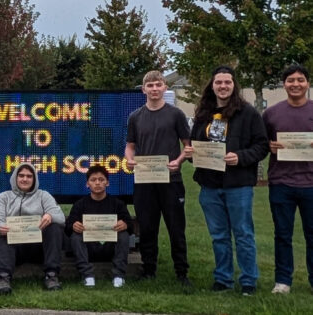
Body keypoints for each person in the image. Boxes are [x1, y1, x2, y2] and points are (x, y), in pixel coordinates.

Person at [185, 65, 269, 295]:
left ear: (234, 85)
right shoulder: (203, 114)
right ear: (211, 86)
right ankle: (223, 278)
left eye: (227, 82)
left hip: (238, 185)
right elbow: (194, 147)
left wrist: (240, 157)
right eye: (218, 82)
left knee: (243, 234)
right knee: (219, 236)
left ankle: (248, 281)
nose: (223, 86)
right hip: (209, 185)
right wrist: (192, 155)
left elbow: (262, 146)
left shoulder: (248, 113)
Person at [124, 70, 191, 286]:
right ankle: (149, 269)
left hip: (171, 180)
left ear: (164, 88)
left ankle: (182, 272)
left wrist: (179, 160)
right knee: (147, 227)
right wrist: (129, 160)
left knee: (176, 228)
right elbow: (130, 146)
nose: (154, 89)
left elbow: (187, 146)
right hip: (144, 181)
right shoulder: (135, 116)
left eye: (158, 85)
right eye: (150, 85)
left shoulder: (176, 114)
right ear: (143, 89)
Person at [262, 64, 313, 294]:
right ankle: (283, 281)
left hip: (311, 184)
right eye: (290, 80)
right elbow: (259, 145)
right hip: (281, 182)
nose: (295, 84)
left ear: (307, 83)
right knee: (283, 235)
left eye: (300, 80)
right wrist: (269, 146)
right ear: (284, 85)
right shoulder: (271, 114)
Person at [0, 162, 65, 294]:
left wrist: (50, 216)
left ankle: (51, 275)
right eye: (21, 175)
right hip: (14, 248)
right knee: (3, 236)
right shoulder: (3, 197)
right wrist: (0, 228)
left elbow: (61, 217)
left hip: (39, 248)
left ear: (34, 179)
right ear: (15, 177)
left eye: (29, 176)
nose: (25, 179)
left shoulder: (44, 195)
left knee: (54, 227)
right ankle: (3, 278)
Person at [65, 165, 132, 288]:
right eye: (93, 180)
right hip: (88, 249)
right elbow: (68, 226)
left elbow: (130, 225)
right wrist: (74, 225)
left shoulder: (117, 203)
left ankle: (119, 276)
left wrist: (125, 224)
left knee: (124, 235)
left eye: (101, 180)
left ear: (107, 183)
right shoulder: (80, 204)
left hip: (109, 247)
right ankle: (87, 276)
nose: (97, 183)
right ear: (87, 184)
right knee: (75, 237)